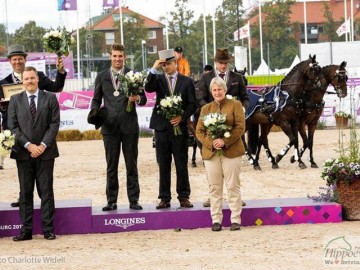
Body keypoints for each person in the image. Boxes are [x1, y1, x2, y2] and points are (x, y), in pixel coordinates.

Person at [0, 44, 66, 207]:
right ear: (10, 61)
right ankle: (23, 196)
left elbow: (56, 87)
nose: (17, 62)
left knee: (41, 173)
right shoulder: (4, 83)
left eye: (20, 59)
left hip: (38, 131)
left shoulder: (38, 77)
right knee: (23, 167)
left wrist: (61, 72)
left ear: (24, 60)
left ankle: (40, 199)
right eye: (14, 59)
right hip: (16, 131)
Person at [90, 43, 147, 211]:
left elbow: (143, 99)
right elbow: (96, 98)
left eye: (120, 56)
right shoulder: (101, 76)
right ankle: (111, 201)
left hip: (129, 126)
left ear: (124, 57)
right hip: (109, 127)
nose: (117, 59)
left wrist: (136, 98)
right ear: (110, 57)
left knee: (131, 165)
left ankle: (134, 200)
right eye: (114, 56)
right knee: (111, 166)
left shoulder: (133, 75)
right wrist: (94, 111)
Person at [8, 66, 60, 241]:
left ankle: (48, 229)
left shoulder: (51, 98)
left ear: (37, 79)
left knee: (46, 191)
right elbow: (13, 127)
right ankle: (26, 230)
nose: (29, 81)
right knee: (25, 192)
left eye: (32, 78)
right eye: (26, 79)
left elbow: (54, 125)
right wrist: (29, 145)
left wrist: (43, 145)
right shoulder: (14, 100)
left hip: (46, 153)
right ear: (22, 81)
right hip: (23, 154)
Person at [145, 49, 196, 209]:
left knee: (181, 163)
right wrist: (154, 68)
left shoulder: (186, 81)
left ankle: (184, 196)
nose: (166, 67)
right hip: (161, 128)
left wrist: (182, 117)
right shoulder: (158, 79)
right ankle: (164, 198)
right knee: (163, 163)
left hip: (179, 127)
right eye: (163, 65)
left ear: (175, 63)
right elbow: (148, 88)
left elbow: (192, 104)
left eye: (168, 64)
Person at [197, 48, 248, 208]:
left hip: (232, 126)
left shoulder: (237, 78)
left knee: (233, 167)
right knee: (212, 165)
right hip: (211, 126)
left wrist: (242, 109)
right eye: (220, 63)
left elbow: (245, 97)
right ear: (215, 63)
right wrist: (212, 113)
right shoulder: (206, 78)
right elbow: (200, 98)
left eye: (225, 63)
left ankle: (235, 196)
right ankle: (212, 196)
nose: (223, 66)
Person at [196, 77, 245, 231]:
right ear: (211, 92)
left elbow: (240, 128)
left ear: (225, 90)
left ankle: (235, 219)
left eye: (220, 89)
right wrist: (211, 143)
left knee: (233, 186)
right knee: (214, 187)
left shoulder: (235, 105)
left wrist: (225, 141)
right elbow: (199, 131)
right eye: (214, 90)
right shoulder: (206, 109)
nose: (217, 92)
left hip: (231, 152)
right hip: (211, 154)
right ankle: (216, 219)